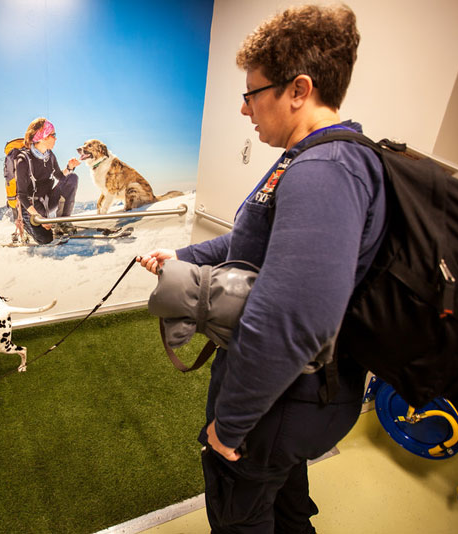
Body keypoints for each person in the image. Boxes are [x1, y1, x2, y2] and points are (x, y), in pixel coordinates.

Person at [138, 5, 386, 533]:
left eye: (252, 94)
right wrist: (184, 257)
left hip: (280, 403)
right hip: (283, 400)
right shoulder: (305, 157)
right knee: (286, 500)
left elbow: (292, 320)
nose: (245, 110)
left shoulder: (326, 170)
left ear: (298, 90)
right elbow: (254, 243)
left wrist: (228, 428)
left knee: (240, 514)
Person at [14, 117, 81, 244]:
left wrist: (69, 168)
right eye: (53, 135)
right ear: (43, 137)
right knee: (46, 239)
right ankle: (29, 226)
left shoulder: (50, 156)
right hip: (31, 207)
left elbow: (60, 177)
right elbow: (21, 195)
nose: (56, 138)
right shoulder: (23, 160)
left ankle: (62, 222)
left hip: (47, 200)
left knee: (72, 178)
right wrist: (38, 218)